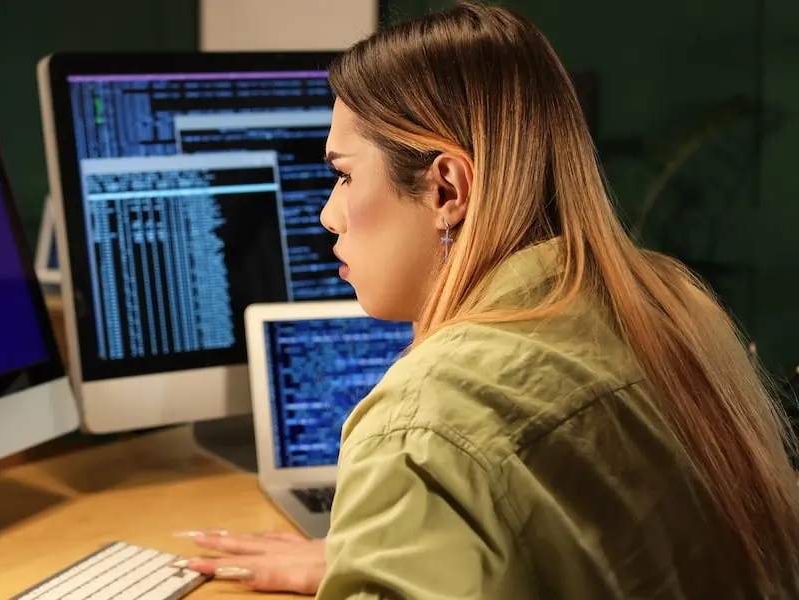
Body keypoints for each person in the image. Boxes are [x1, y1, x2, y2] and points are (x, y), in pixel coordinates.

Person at [174, 1, 799, 598]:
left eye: (342, 175)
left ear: (447, 188)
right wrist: (387, 550)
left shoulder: (428, 422)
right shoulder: (671, 304)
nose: (328, 214)